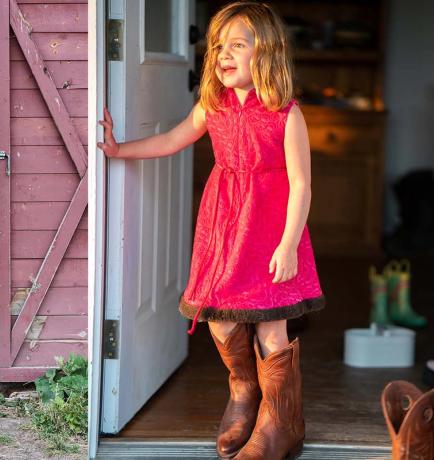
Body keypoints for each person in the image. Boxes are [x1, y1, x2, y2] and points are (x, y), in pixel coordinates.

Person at [98, 3, 324, 459]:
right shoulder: (212, 105)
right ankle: (243, 392)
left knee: (271, 329)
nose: (224, 54)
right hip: (223, 227)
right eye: (220, 45)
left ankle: (281, 424)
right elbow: (171, 139)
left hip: (269, 230)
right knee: (220, 321)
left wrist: (287, 244)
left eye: (237, 45)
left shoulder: (286, 113)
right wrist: (118, 149)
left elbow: (302, 184)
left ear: (267, 53)